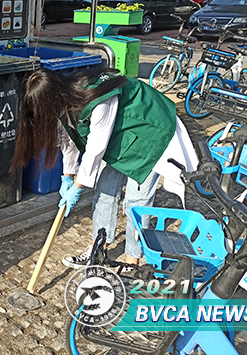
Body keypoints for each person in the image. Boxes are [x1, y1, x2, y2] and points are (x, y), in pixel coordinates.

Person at [12, 67, 198, 269]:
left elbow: (96, 147)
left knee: (136, 204)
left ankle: (132, 263)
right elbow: (71, 138)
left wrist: (78, 186)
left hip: (150, 132)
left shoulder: (97, 98)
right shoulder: (65, 100)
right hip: (122, 135)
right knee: (104, 192)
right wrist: (68, 175)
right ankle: (98, 251)